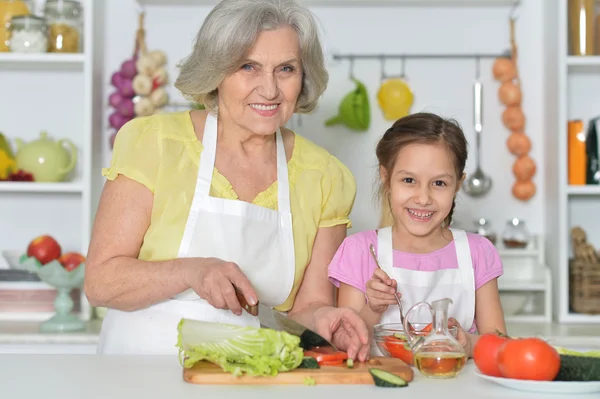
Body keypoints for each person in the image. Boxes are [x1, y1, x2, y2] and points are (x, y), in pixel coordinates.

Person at [84, 0, 370, 360]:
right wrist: (191, 272)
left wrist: (328, 319)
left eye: (286, 69)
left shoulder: (326, 176)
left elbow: (307, 306)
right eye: (248, 66)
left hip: (249, 374)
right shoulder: (155, 143)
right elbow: (101, 283)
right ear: (216, 72)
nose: (269, 90)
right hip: (139, 369)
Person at [328, 113, 506, 358]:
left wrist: (469, 344)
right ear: (386, 177)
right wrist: (374, 308)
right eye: (409, 180)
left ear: (458, 184)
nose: (423, 198)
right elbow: (344, 343)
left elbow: (499, 344)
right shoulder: (359, 250)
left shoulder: (477, 252)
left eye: (439, 183)